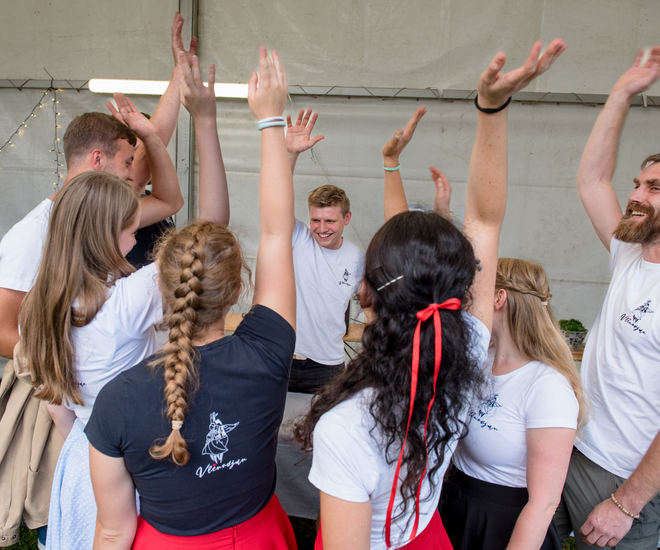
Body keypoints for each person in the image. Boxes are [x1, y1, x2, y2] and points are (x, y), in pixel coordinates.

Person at [294, 39, 567, 550]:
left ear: (366, 292)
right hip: (428, 534)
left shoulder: (347, 426)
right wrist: (492, 109)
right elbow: (485, 220)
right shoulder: (464, 358)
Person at [84, 47, 297, 550]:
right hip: (259, 537)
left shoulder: (117, 400)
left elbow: (113, 530)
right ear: (238, 292)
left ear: (160, 286)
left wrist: (207, 119)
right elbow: (276, 234)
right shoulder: (268, 352)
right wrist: (269, 121)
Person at [0, 11, 196, 359]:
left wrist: (177, 77)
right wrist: (77, 361)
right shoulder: (32, 234)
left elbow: (166, 197)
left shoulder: (103, 216)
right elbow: (2, 330)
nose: (132, 174)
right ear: (97, 159)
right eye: (126, 162)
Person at [553, 47, 660, 550]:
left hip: (628, 478)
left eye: (654, 188)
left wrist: (627, 503)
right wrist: (620, 93)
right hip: (580, 448)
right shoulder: (631, 254)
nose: (635, 195)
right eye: (637, 184)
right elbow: (592, 180)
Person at [440, 258, 584, 550]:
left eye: (472, 291)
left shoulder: (548, 387)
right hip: (455, 506)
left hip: (502, 525)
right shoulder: (482, 359)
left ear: (498, 298)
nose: (465, 299)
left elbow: (544, 503)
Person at [285, 109, 365, 394]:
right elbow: (276, 200)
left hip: (327, 367)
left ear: (346, 218)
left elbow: (373, 304)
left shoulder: (357, 258)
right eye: (316, 220)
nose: (321, 228)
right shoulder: (298, 237)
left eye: (330, 221)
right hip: (284, 360)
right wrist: (290, 154)